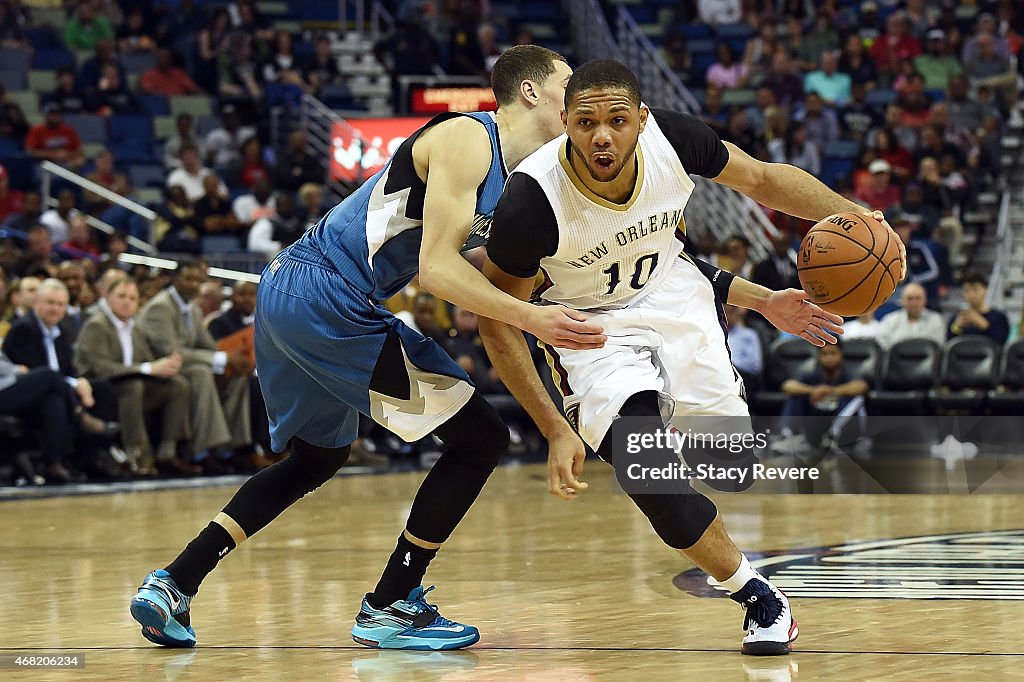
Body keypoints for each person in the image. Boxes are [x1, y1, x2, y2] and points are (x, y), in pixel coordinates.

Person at [129, 46, 597, 651]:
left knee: (316, 458)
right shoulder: (468, 138)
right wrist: (534, 317)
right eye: (568, 84)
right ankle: (390, 603)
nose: (577, 96)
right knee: (480, 438)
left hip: (297, 293)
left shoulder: (510, 179)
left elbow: (471, 263)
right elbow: (436, 271)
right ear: (531, 91)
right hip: (329, 291)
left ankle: (175, 582)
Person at [478, 59, 905, 656]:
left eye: (617, 121)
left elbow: (759, 179)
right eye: (586, 123)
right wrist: (552, 427)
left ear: (642, 120)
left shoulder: (673, 139)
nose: (603, 136)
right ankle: (758, 596)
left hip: (676, 298)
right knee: (650, 473)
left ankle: (679, 429)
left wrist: (852, 216)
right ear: (567, 125)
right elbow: (496, 319)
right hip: (588, 328)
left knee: (729, 469)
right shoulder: (531, 202)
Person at [74, 277, 193, 476]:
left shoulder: (135, 328)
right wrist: (148, 368)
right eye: (121, 296)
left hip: (132, 385)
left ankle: (168, 452)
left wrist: (166, 365)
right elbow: (100, 367)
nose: (127, 301)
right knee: (133, 385)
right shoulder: (97, 325)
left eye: (132, 297)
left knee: (177, 385)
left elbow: (147, 361)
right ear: (108, 298)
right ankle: (136, 454)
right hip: (100, 387)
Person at [779, 341, 869, 452]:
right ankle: (789, 437)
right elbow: (787, 385)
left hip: (844, 428)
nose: (829, 358)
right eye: (824, 354)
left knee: (856, 398)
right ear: (819, 357)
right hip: (817, 424)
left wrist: (832, 391)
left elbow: (862, 386)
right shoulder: (813, 373)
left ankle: (838, 437)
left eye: (833, 353)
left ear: (841, 354)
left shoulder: (848, 373)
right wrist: (813, 391)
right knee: (795, 395)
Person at [876, 283, 946, 349]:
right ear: (902, 301)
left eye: (918, 298)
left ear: (925, 300)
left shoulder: (936, 320)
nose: (914, 303)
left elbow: (937, 348)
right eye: (910, 298)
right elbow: (883, 347)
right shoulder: (889, 321)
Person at [947, 271, 1009, 345]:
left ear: (985, 290)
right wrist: (956, 327)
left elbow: (1001, 342)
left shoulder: (998, 317)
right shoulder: (957, 318)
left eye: (975, 290)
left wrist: (984, 325)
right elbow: (949, 344)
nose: (971, 295)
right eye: (967, 291)